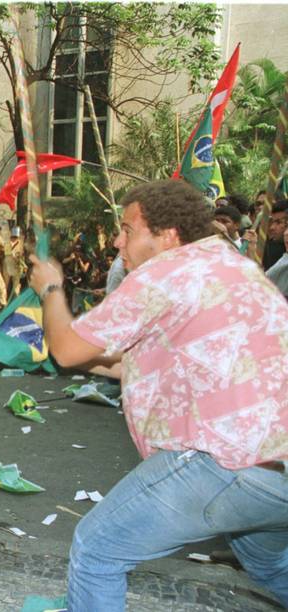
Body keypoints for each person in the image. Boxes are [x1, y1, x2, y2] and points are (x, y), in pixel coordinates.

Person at [29, 179, 288, 612]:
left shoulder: (163, 273)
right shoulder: (230, 264)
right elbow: (145, 358)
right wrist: (71, 354)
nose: (117, 241)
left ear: (167, 235)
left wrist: (52, 289)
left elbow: (68, 347)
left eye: (128, 229)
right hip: (277, 468)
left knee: (97, 550)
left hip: (223, 460)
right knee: (270, 563)